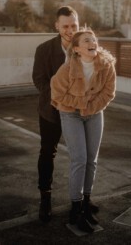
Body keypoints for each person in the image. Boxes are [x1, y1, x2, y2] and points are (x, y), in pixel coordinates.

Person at [50, 28, 116, 232]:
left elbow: (108, 93)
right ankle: (75, 209)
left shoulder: (106, 65)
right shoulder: (67, 69)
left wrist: (90, 107)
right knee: (79, 159)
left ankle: (86, 203)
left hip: (95, 114)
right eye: (87, 40)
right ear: (77, 49)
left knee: (91, 160)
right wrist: (81, 104)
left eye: (94, 39)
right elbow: (56, 95)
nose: (92, 42)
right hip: (70, 114)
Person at [32, 6, 79, 223]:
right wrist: (60, 97)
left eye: (74, 25)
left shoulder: (85, 46)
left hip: (79, 112)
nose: (70, 30)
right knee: (47, 153)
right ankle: (45, 199)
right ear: (57, 26)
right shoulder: (44, 49)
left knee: (81, 156)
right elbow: (39, 80)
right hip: (51, 110)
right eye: (66, 26)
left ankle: (81, 200)